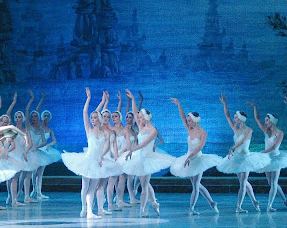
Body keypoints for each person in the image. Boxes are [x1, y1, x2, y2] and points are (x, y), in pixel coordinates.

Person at [61, 88, 120, 219]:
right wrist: (89, 98)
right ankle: (84, 208)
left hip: (98, 161)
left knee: (93, 188)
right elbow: (85, 112)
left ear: (99, 119)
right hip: (87, 160)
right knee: (85, 187)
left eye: (95, 118)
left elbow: (107, 146)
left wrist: (101, 156)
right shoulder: (89, 129)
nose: (92, 119)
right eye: (91, 118)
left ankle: (90, 212)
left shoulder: (105, 132)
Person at [119, 89, 175, 217]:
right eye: (138, 118)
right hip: (139, 157)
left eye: (140, 117)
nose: (138, 119)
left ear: (145, 117)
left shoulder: (153, 130)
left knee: (144, 185)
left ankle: (143, 209)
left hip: (148, 158)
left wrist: (132, 150)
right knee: (145, 183)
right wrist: (133, 99)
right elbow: (134, 112)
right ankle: (154, 203)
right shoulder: (141, 127)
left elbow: (143, 144)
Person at [216, 94, 269, 213]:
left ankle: (238, 206)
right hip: (236, 158)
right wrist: (224, 104)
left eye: (236, 118)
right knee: (242, 181)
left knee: (243, 183)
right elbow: (227, 115)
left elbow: (242, 141)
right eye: (235, 118)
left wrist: (232, 147)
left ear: (241, 119)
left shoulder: (248, 130)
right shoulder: (236, 129)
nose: (234, 119)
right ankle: (254, 201)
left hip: (245, 158)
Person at [169, 98, 221, 215]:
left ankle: (191, 209)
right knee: (196, 184)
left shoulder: (203, 133)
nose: (188, 123)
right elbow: (182, 117)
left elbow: (199, 147)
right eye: (188, 121)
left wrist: (190, 157)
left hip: (197, 159)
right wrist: (179, 104)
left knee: (196, 185)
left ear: (195, 121)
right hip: (188, 159)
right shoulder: (189, 130)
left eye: (190, 121)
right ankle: (212, 203)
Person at [248, 101, 287, 212]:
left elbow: (274, 147)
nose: (265, 122)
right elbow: (257, 119)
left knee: (274, 182)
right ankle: (285, 200)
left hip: (276, 158)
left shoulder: (280, 133)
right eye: (265, 120)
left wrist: (262, 152)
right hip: (267, 159)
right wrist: (255, 107)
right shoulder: (266, 131)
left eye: (267, 120)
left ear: (272, 121)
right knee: (270, 183)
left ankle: (269, 205)